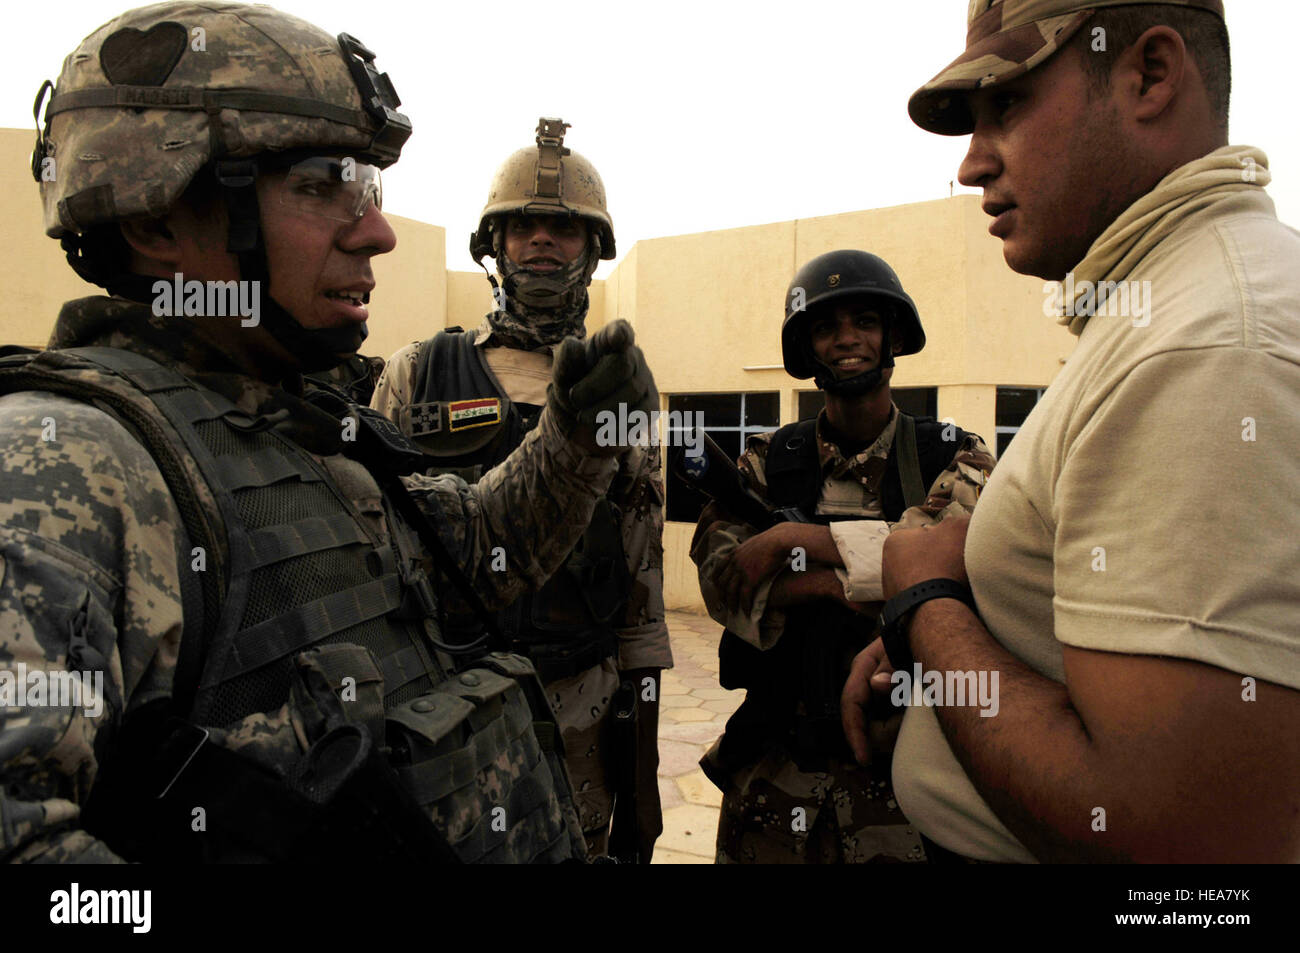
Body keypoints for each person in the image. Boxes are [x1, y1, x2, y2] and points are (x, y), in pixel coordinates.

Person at [0, 1, 658, 864]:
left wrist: (573, 433)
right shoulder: (61, 468)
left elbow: (486, 546)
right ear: (157, 221)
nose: (377, 231)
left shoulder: (299, 431)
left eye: (368, 188)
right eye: (319, 186)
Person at [842, 0, 1300, 863]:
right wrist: (968, 624)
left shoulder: (1208, 345)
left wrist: (927, 607)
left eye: (1006, 105)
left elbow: (1182, 853)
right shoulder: (1165, 309)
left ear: (1150, 77)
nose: (973, 163)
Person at [371, 119, 669, 862]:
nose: (543, 241)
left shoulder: (622, 386)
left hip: (580, 708)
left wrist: (642, 766)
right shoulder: (418, 372)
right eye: (525, 226)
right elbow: (373, 548)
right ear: (495, 246)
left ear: (593, 250)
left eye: (564, 229)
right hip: (442, 706)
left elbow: (642, 579)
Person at [690, 249, 994, 863]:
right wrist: (839, 585)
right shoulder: (766, 461)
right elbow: (724, 579)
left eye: (864, 322)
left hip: (906, 778)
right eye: (826, 328)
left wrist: (790, 542)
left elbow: (948, 557)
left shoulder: (957, 453)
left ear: (893, 338)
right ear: (807, 350)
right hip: (775, 772)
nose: (846, 340)